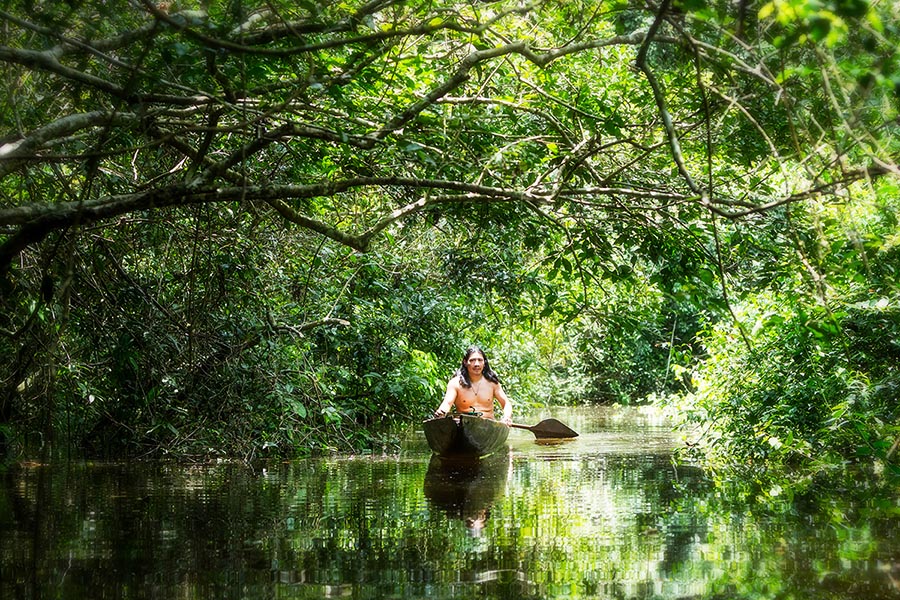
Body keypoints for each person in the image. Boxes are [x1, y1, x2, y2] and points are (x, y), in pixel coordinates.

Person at [432, 346, 513, 424]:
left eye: (480, 360)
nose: (476, 364)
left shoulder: (492, 383)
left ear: (484, 363)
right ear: (465, 362)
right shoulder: (455, 383)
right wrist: (441, 412)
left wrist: (507, 417)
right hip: (464, 425)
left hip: (488, 426)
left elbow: (506, 403)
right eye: (472, 360)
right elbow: (447, 403)